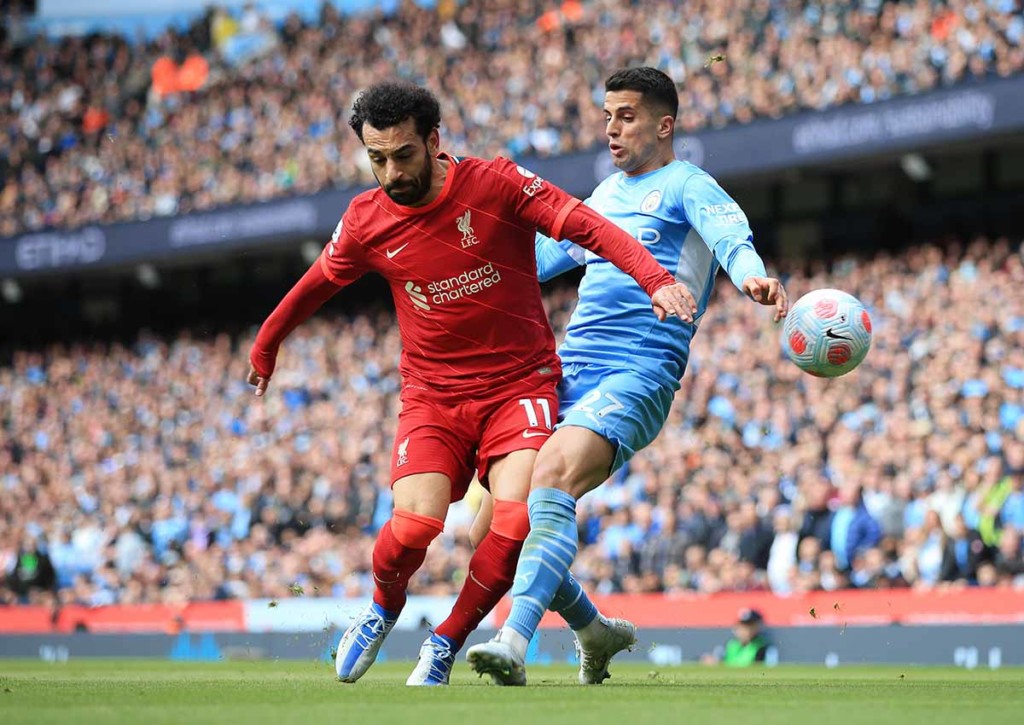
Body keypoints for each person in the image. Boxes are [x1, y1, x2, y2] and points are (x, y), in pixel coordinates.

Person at [246, 80, 696, 686]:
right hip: (433, 397)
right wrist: (267, 343)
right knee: (414, 526)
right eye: (376, 159)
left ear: (434, 142)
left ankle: (446, 642)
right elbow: (318, 284)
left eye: (403, 155)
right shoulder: (366, 220)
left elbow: (587, 226)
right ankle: (382, 609)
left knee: (514, 521)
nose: (390, 172)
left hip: (520, 388)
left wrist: (654, 278)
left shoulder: (495, 184)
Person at [466, 67, 787, 685]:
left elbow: (728, 234)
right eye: (608, 115)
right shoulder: (602, 200)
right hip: (567, 368)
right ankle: (594, 630)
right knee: (492, 529)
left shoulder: (687, 185)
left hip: (639, 369)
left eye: (628, 116)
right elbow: (536, 263)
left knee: (552, 476)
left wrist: (752, 274)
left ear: (664, 125)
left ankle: (512, 641)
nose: (612, 128)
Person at [700, 608, 771, 667]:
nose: (746, 629)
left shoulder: (762, 646)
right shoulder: (731, 644)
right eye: (742, 625)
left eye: (750, 625)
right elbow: (719, 659)